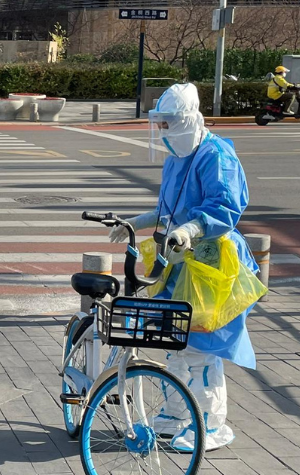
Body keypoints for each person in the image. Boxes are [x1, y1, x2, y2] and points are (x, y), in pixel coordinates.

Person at [109, 83, 258, 452]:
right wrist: (138, 221)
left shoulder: (215, 155)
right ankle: (178, 413)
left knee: (200, 347)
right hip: (180, 261)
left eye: (169, 123)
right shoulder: (179, 155)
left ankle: (210, 422)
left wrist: (192, 228)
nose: (164, 132)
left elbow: (224, 206)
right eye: (161, 124)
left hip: (210, 263)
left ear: (189, 118)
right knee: (174, 341)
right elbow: (170, 209)